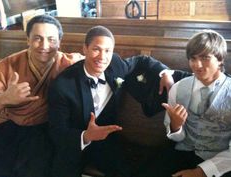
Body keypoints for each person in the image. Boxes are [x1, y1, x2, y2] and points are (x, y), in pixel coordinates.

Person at [48, 25, 179, 177]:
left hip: (107, 142)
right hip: (74, 144)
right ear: (85, 49)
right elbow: (57, 132)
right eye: (96, 49)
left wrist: (165, 73)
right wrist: (85, 135)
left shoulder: (114, 64)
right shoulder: (62, 85)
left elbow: (141, 61)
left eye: (107, 51)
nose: (102, 57)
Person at [0, 14, 82, 177]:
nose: (44, 46)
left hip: (46, 128)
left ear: (59, 42)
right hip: (11, 125)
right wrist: (5, 98)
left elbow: (101, 60)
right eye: (37, 39)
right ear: (27, 40)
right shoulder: (7, 65)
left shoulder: (69, 64)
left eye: (51, 39)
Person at [137, 30, 231, 177]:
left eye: (205, 58)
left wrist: (201, 172)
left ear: (220, 59)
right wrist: (176, 125)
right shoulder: (178, 88)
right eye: (193, 58)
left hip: (220, 160)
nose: (197, 65)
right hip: (183, 151)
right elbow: (175, 137)